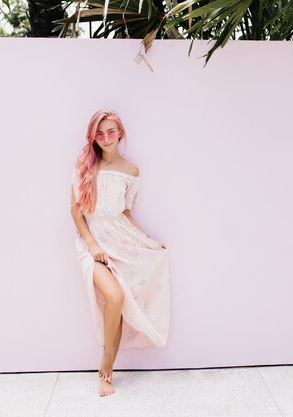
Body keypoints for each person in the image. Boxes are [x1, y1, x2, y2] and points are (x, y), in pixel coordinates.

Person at [70, 109, 170, 397]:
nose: (105, 138)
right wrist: (91, 243)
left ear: (120, 133)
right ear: (93, 137)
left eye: (111, 131)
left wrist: (147, 240)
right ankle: (106, 362)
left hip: (121, 241)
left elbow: (125, 213)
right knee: (114, 296)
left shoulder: (131, 171)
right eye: (99, 133)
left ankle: (108, 371)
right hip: (93, 243)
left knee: (120, 302)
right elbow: (75, 211)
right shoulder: (84, 167)